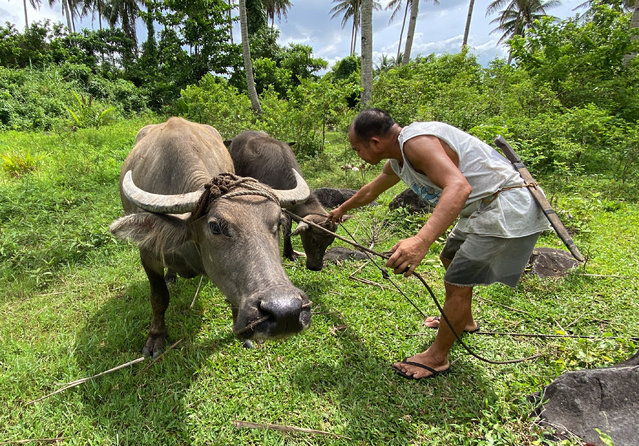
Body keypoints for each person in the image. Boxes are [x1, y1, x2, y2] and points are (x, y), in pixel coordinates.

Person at [327, 109, 549, 380]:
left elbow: (458, 186)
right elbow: (371, 191)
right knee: (450, 258)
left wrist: (420, 241)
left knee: (457, 282)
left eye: (357, 149)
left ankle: (437, 357)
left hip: (504, 206)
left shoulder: (416, 142)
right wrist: (340, 210)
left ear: (374, 142)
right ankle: (463, 321)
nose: (357, 154)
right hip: (480, 209)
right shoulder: (398, 160)